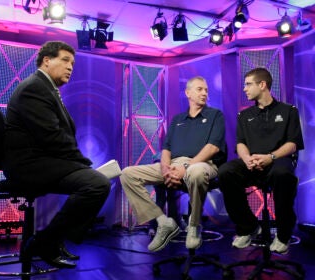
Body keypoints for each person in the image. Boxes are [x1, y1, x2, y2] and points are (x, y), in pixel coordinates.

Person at [3, 41, 111, 268]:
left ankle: (54, 240)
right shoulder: (34, 88)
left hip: (42, 162)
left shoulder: (47, 89)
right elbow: (51, 137)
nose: (70, 67)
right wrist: (81, 163)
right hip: (29, 166)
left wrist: (80, 163)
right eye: (65, 60)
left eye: (72, 63)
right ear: (46, 60)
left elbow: (57, 136)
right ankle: (46, 242)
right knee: (96, 184)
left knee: (94, 181)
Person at [120, 76, 226, 252]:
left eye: (206, 90)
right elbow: (166, 149)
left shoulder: (215, 115)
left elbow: (213, 147)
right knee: (127, 174)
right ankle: (163, 222)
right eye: (200, 89)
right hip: (173, 165)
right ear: (188, 93)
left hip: (203, 163)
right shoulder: (177, 120)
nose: (204, 93)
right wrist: (166, 170)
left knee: (196, 171)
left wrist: (184, 168)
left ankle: (193, 226)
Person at [218, 67, 304, 255]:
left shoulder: (289, 111)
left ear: (262, 85)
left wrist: (270, 157)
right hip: (252, 163)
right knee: (225, 172)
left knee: (282, 174)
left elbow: (292, 144)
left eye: (248, 84)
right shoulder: (244, 115)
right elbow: (240, 143)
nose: (244, 89)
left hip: (277, 161)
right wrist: (247, 159)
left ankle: (283, 234)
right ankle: (248, 226)